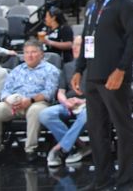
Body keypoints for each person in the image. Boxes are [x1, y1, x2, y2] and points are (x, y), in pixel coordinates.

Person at [71, 0, 133, 189]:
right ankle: (102, 180)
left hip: (114, 77)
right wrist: (78, 68)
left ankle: (126, 182)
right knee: (96, 130)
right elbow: (87, 40)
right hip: (92, 76)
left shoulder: (124, 2)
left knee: (122, 130)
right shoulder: (93, 5)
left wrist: (121, 69)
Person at [0, 39, 59, 160]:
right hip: (15, 103)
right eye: (26, 52)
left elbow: (48, 93)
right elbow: (5, 91)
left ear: (41, 54)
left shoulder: (51, 70)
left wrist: (29, 101)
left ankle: (30, 150)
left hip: (38, 103)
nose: (29, 55)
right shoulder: (17, 70)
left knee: (34, 111)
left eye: (33, 52)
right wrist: (9, 100)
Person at [40, 35, 92, 167]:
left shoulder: (95, 66)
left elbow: (100, 94)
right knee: (45, 114)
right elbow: (60, 93)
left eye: (79, 45)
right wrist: (66, 102)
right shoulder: (68, 66)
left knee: (88, 114)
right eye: (74, 44)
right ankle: (80, 146)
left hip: (88, 104)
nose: (74, 47)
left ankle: (59, 149)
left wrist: (83, 102)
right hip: (68, 104)